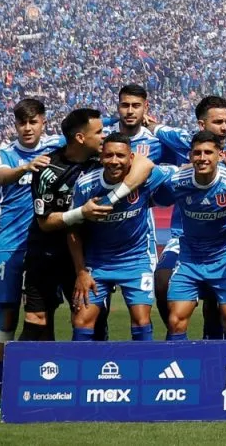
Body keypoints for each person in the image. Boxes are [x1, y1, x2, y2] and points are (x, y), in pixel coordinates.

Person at [25, 108, 153, 348]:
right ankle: (39, 372)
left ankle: (94, 370)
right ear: (80, 138)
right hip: (46, 252)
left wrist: (112, 197)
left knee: (91, 320)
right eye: (99, 132)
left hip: (85, 254)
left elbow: (144, 163)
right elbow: (45, 222)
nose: (104, 136)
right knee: (37, 321)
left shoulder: (101, 161)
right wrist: (81, 212)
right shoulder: (47, 169)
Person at [151, 95, 226, 339]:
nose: (225, 127)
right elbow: (150, 126)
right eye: (218, 122)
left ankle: (213, 344)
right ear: (202, 125)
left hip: (223, 242)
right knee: (162, 281)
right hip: (183, 237)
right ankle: (174, 341)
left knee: (222, 312)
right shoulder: (182, 145)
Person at [0, 98, 62, 419]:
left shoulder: (57, 145)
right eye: (22, 123)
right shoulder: (4, 152)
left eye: (33, 122)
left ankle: (48, 389)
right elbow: (1, 176)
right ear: (15, 125)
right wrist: (25, 168)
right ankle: (5, 393)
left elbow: (87, 134)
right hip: (8, 247)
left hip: (44, 246)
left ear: (43, 122)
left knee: (45, 317)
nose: (27, 128)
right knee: (6, 320)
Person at [66, 133, 173, 341]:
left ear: (131, 158)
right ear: (101, 157)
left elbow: (179, 172)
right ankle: (81, 363)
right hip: (97, 263)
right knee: (81, 321)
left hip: (136, 260)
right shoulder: (86, 185)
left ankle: (144, 362)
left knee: (141, 320)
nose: (114, 161)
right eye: (109, 155)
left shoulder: (147, 177)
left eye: (120, 156)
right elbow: (72, 230)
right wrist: (81, 271)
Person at [94, 83, 165, 341]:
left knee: (142, 314)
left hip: (138, 235)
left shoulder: (156, 142)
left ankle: (145, 362)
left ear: (146, 108)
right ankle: (95, 358)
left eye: (136, 106)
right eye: (125, 105)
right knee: (94, 313)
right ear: (118, 107)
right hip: (99, 237)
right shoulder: (103, 141)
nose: (130, 111)